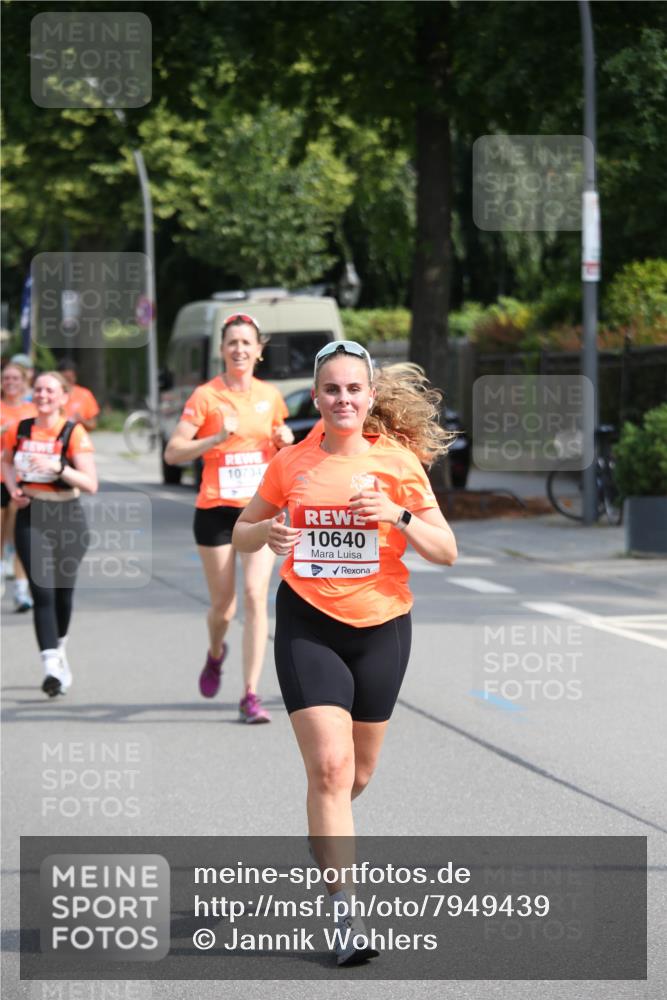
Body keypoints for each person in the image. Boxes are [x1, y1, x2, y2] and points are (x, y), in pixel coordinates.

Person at [233, 341, 457, 964]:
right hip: (309, 621)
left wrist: (398, 516)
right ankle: (344, 915)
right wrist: (268, 532)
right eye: (331, 389)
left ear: (370, 396)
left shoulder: (400, 464)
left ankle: (324, 836)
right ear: (316, 396)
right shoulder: (290, 462)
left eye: (354, 389)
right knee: (329, 770)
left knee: (357, 775)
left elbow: (446, 550)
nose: (343, 399)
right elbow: (241, 531)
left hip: (382, 624)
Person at [164, 312, 294, 723]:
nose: (239, 349)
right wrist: (216, 437)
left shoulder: (270, 396)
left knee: (257, 596)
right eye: (232, 342)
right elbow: (173, 452)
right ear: (222, 350)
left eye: (246, 342)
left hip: (260, 509)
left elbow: (280, 442)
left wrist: (284, 439)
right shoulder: (205, 397)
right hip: (216, 511)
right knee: (224, 607)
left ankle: (250, 694)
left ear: (259, 351)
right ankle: (216, 653)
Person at [1, 371, 98, 696]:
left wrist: (60, 469)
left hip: (68, 516)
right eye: (39, 390)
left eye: (50, 391)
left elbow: (91, 484)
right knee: (42, 591)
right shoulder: (20, 429)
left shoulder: (73, 432)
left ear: (62, 397)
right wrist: (14, 489)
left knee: (62, 593)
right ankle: (51, 666)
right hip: (32, 515)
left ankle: (59, 649)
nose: (43, 395)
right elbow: (6, 461)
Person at [0, 362, 37, 610]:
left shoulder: (32, 410)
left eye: (15, 378)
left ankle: (22, 592)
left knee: (21, 538)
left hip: (24, 480)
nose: (10, 382)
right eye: (6, 378)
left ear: (24, 381)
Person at [57, 358, 100, 431]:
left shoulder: (85, 395)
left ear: (75, 377)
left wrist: (81, 420)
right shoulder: (51, 395)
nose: (67, 383)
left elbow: (93, 425)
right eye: (64, 379)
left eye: (69, 379)